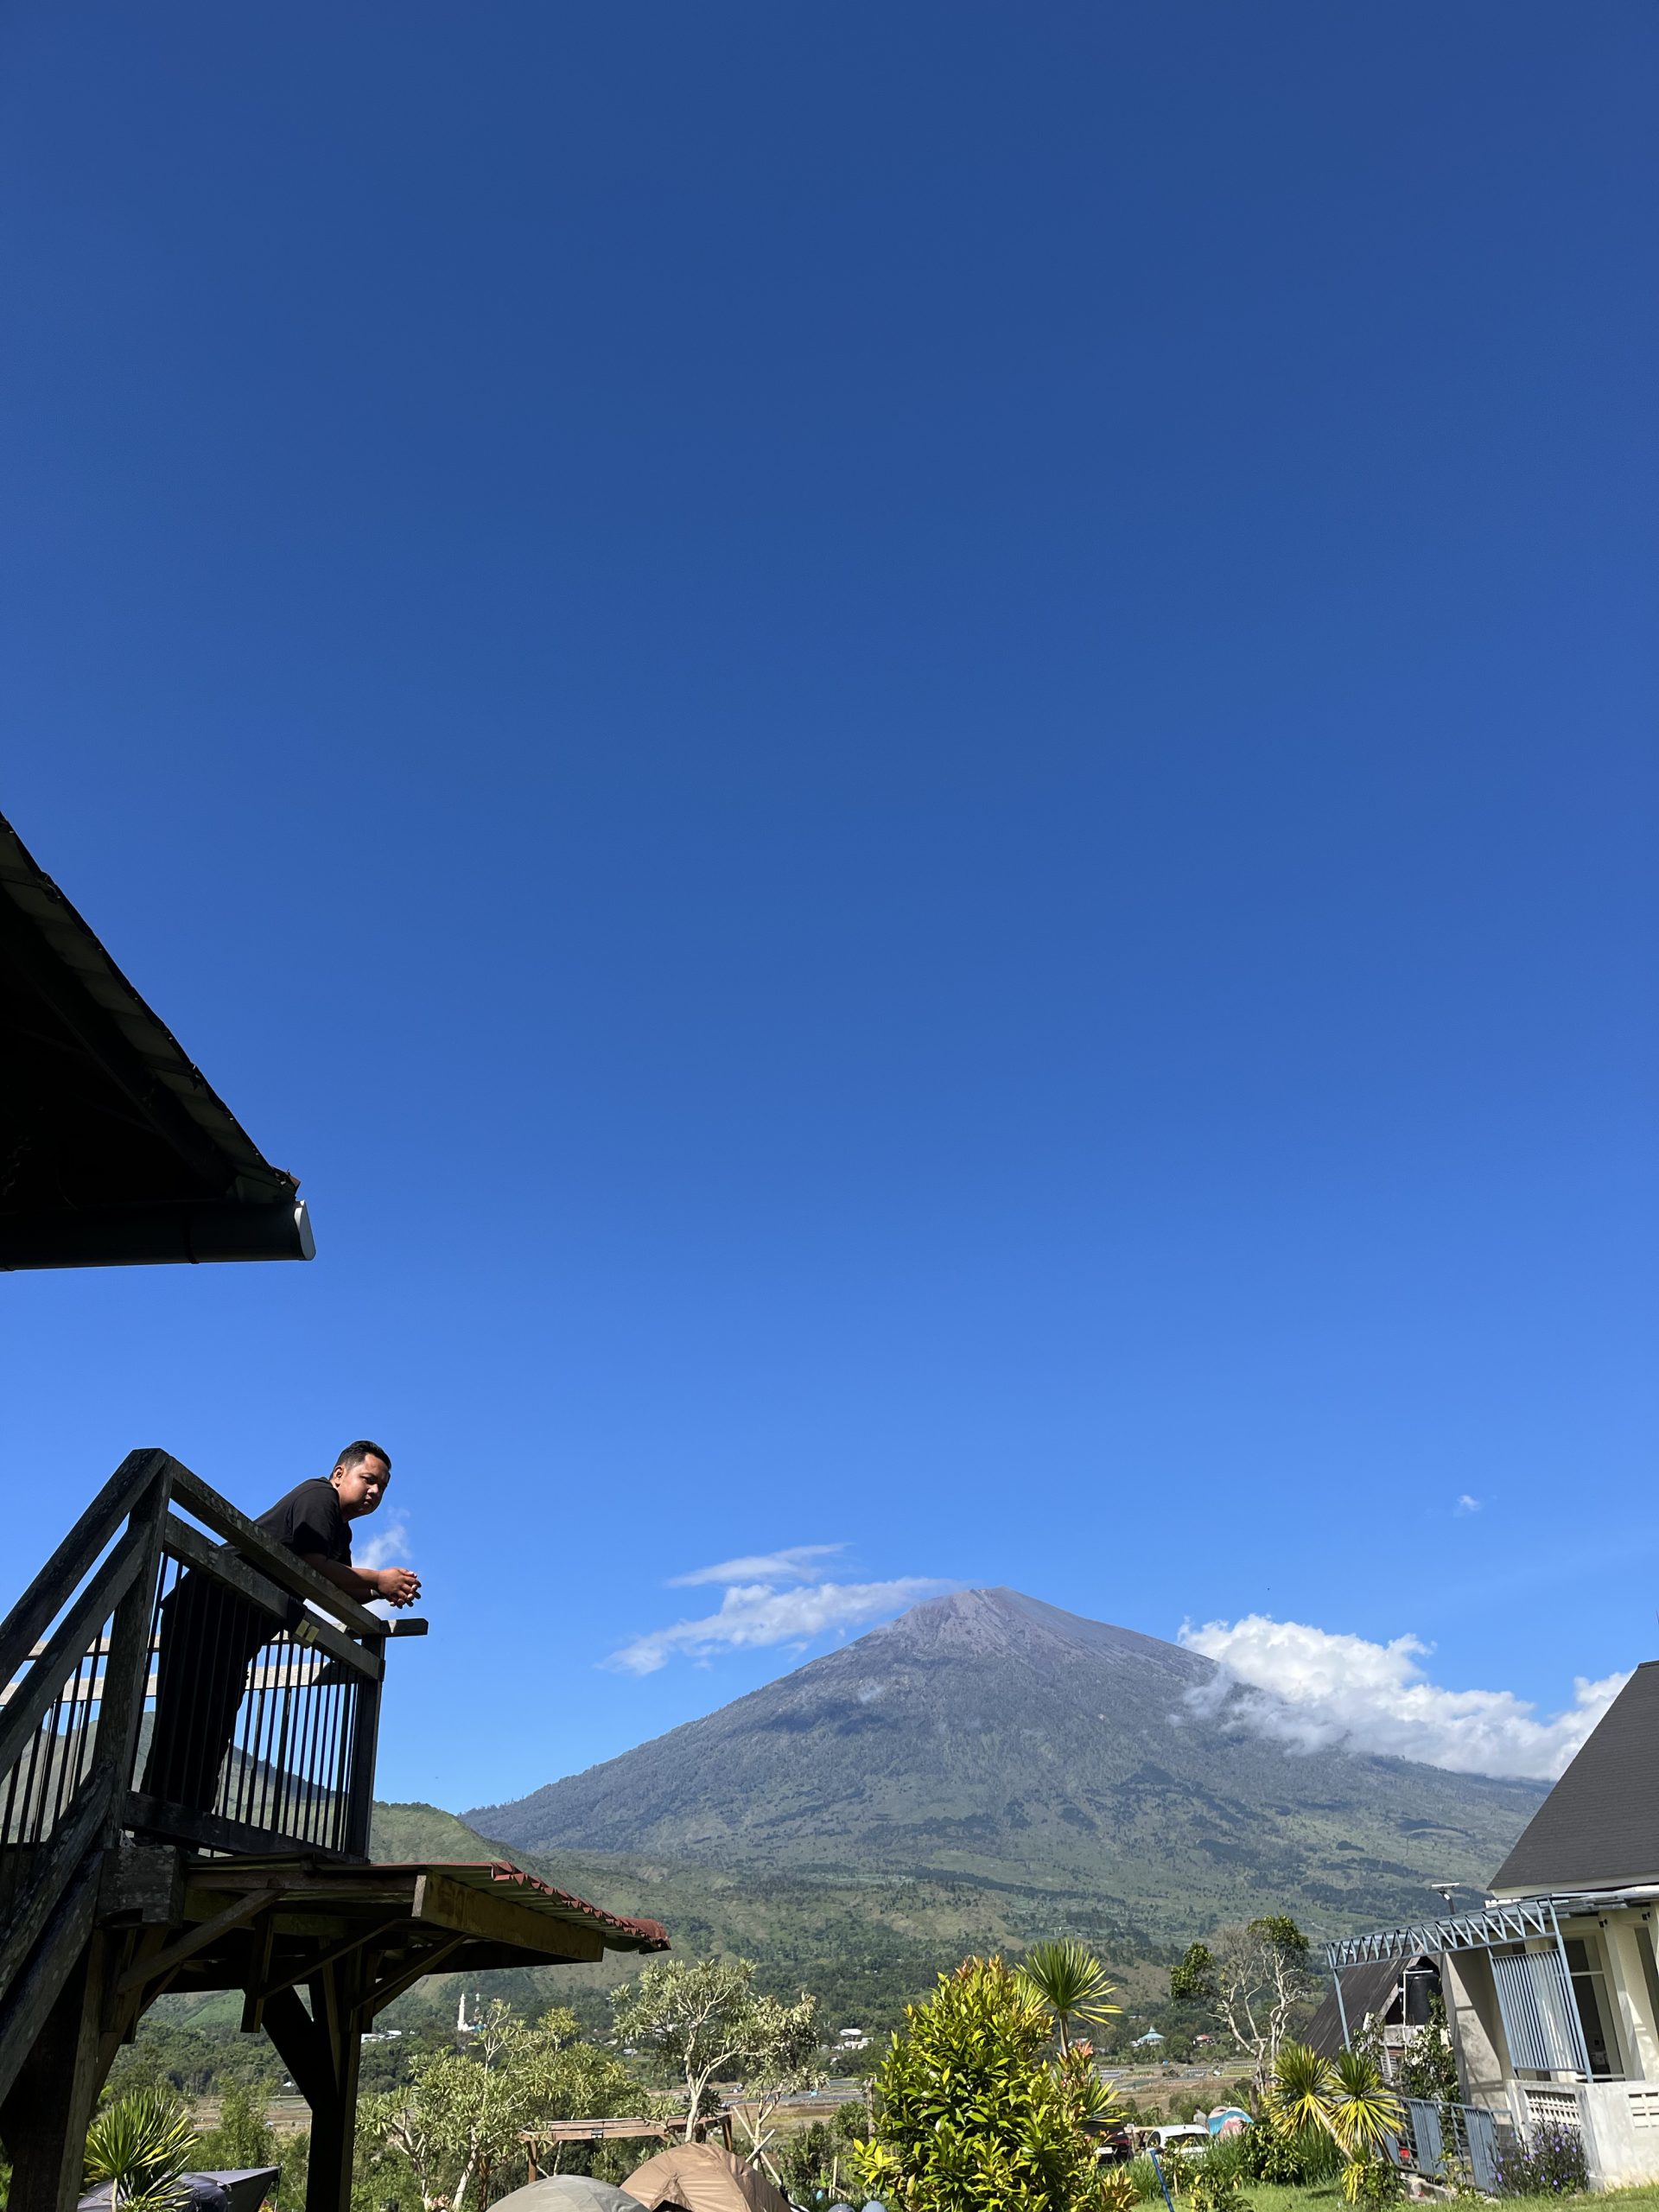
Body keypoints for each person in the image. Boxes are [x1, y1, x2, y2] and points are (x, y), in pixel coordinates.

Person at [142, 1440, 421, 1818]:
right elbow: (312, 1565)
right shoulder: (318, 1496)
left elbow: (335, 1590)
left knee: (211, 1727)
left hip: (233, 1631)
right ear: (340, 1475)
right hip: (206, 1609)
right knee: (188, 1719)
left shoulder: (341, 1532)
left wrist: (381, 1591)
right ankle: (155, 1823)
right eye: (369, 1480)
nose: (375, 1492)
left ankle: (183, 1825)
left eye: (382, 1488)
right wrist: (378, 1578)